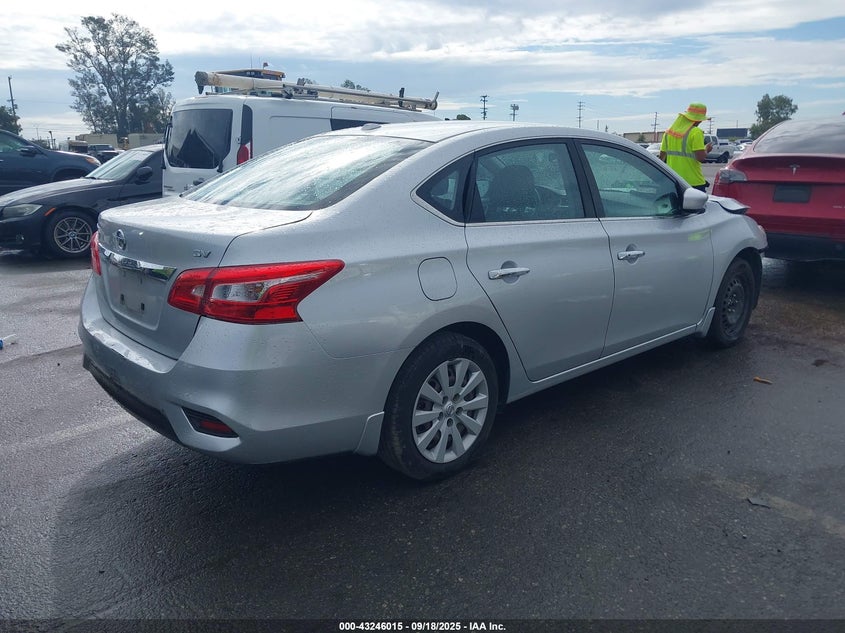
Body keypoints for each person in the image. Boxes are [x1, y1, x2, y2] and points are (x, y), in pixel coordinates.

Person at [659, 102, 712, 192]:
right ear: (698, 120)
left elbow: (661, 158)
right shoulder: (696, 132)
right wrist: (707, 149)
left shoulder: (668, 133)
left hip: (673, 180)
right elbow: (701, 158)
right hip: (693, 182)